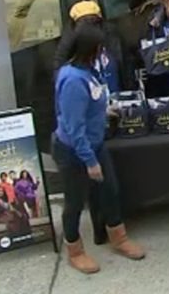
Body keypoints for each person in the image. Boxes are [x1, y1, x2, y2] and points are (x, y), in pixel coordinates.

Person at [53, 22, 146, 274]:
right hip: (75, 150)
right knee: (74, 203)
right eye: (100, 49)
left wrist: (104, 110)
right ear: (89, 50)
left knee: (110, 191)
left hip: (95, 144)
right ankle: (75, 250)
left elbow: (89, 104)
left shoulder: (88, 70)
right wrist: (90, 161)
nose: (104, 54)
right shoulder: (73, 80)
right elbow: (74, 128)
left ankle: (119, 237)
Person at [53, 0, 128, 95]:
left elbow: (122, 63)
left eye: (94, 21)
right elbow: (59, 64)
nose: (89, 26)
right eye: (85, 21)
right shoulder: (71, 39)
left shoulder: (110, 34)